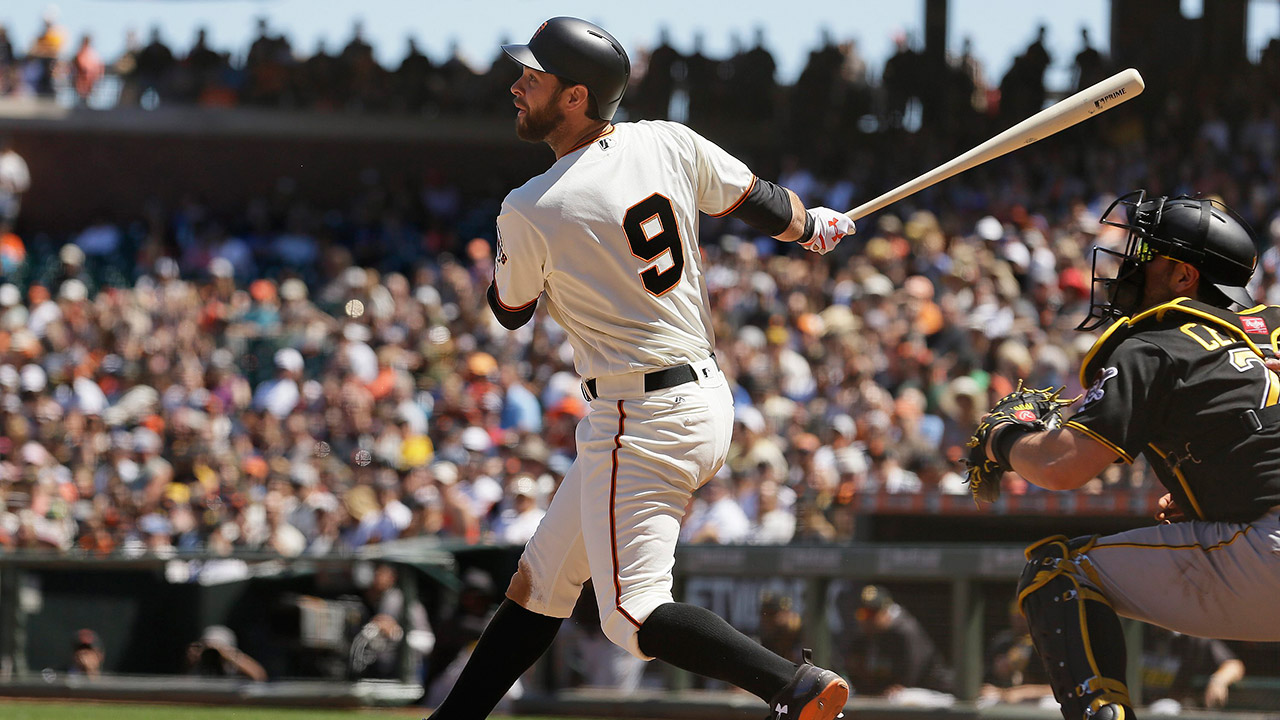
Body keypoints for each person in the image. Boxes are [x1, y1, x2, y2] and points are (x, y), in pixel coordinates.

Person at [427, 16, 853, 720]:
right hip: (703, 398)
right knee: (542, 580)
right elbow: (769, 205)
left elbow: (509, 311)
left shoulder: (533, 205)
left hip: (641, 413)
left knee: (631, 615)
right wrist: (814, 228)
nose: (515, 86)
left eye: (533, 78)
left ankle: (792, 685)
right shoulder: (668, 140)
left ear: (575, 96)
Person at [967, 191, 1280, 720]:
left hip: (1270, 553)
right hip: (1260, 533)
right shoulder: (1271, 325)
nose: (1128, 265)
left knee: (1059, 569)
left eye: (1145, 254)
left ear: (1184, 277)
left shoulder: (1158, 341)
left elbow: (1060, 466)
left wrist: (1001, 438)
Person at [840, 585, 953, 698]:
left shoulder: (905, 631)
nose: (867, 620)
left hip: (933, 692)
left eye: (872, 614)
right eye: (862, 614)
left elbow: (911, 676)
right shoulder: (862, 638)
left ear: (886, 612)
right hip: (891, 697)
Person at [1140, 627, 1245, 712]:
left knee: (1167, 708)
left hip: (1175, 708)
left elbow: (1234, 664)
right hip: (1133, 706)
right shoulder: (1135, 630)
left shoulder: (1191, 636)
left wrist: (1218, 681)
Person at [185, 625, 268, 681]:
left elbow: (259, 677)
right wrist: (192, 660)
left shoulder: (232, 666)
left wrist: (229, 655)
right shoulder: (201, 663)